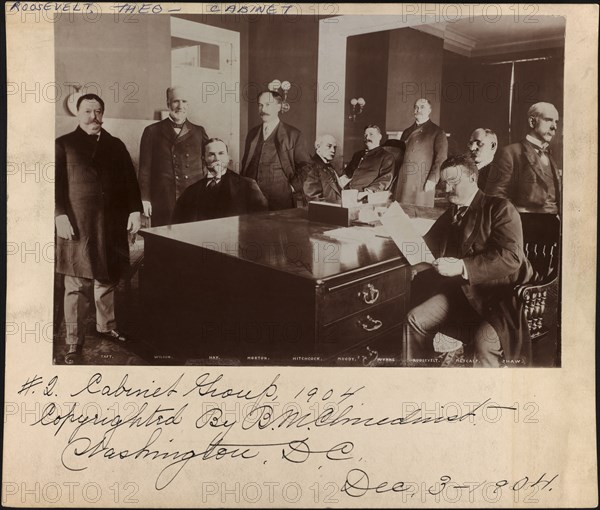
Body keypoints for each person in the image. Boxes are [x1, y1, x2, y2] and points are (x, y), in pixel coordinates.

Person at [406, 154, 533, 367]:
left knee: (484, 344)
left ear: (472, 178)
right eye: (444, 183)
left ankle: (486, 396)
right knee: (414, 320)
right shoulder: (452, 213)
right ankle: (422, 380)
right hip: (461, 296)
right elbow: (426, 245)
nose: (446, 189)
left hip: (498, 299)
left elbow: (511, 258)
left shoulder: (500, 208)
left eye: (453, 182)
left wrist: (461, 266)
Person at [55, 94, 143, 364]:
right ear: (78, 114)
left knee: (107, 278)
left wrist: (135, 211)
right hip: (77, 224)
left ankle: (106, 327)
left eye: (98, 111)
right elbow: (54, 185)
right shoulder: (64, 144)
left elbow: (130, 182)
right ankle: (74, 341)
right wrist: (59, 215)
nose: (94, 117)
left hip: (111, 224)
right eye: (88, 111)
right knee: (77, 283)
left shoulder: (115, 145)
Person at [138, 86, 208, 226]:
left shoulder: (199, 132)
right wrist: (144, 199)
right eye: (176, 101)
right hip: (164, 199)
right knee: (166, 242)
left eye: (184, 101)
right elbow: (145, 169)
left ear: (188, 104)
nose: (180, 106)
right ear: (168, 103)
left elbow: (209, 164)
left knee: (193, 240)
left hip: (194, 198)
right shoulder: (152, 131)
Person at [485, 102, 561, 213]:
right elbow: (496, 198)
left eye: (556, 121)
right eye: (548, 120)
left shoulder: (549, 156)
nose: (554, 126)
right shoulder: (510, 153)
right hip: (526, 224)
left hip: (554, 224)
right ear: (532, 121)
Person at [241, 91, 310, 210]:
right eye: (260, 105)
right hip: (251, 200)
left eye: (268, 104)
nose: (263, 109)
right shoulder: (252, 134)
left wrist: (292, 188)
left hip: (280, 201)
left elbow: (306, 166)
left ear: (279, 106)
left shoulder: (293, 135)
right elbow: (245, 164)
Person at [172, 138, 268, 223]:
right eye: (211, 154)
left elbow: (261, 222)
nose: (217, 158)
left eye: (221, 153)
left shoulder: (247, 186)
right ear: (203, 159)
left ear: (228, 157)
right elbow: (177, 226)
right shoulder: (191, 192)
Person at [394, 98, 448, 206]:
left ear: (429, 110)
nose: (418, 110)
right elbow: (399, 157)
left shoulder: (437, 132)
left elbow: (441, 158)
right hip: (404, 179)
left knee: (420, 213)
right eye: (416, 107)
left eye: (422, 107)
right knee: (401, 212)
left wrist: (432, 180)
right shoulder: (407, 132)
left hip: (422, 180)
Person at [344, 125, 394, 200]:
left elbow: (385, 179)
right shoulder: (358, 154)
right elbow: (347, 174)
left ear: (379, 137)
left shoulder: (386, 156)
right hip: (346, 192)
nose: (367, 138)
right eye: (365, 135)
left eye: (371, 134)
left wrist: (367, 192)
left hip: (365, 196)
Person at [303, 134, 343, 204]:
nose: (333, 150)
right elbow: (314, 199)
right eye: (329, 146)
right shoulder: (311, 167)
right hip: (326, 211)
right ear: (318, 147)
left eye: (334, 147)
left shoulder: (329, 166)